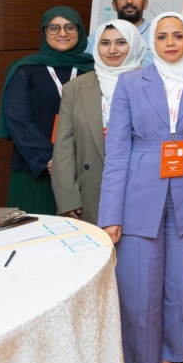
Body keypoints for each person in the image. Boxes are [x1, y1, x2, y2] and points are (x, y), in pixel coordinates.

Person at [98, 12, 183, 363]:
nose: (171, 42)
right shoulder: (130, 83)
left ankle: (174, 353)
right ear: (152, 42)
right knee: (138, 281)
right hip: (138, 194)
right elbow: (117, 151)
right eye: (163, 36)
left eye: (178, 36)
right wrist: (110, 214)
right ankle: (139, 361)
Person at [0, 7, 94, 214]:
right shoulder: (25, 69)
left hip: (84, 167)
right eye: (54, 28)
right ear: (44, 32)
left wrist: (71, 162)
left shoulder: (92, 69)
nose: (62, 33)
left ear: (80, 30)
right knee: (31, 236)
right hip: (37, 169)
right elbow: (18, 120)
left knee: (78, 238)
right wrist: (53, 160)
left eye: (70, 27)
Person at [51, 19, 147, 224]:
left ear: (135, 45)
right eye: (104, 43)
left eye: (121, 42)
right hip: (91, 191)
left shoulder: (152, 85)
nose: (112, 50)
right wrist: (67, 199)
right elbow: (64, 148)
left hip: (141, 188)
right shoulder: (75, 88)